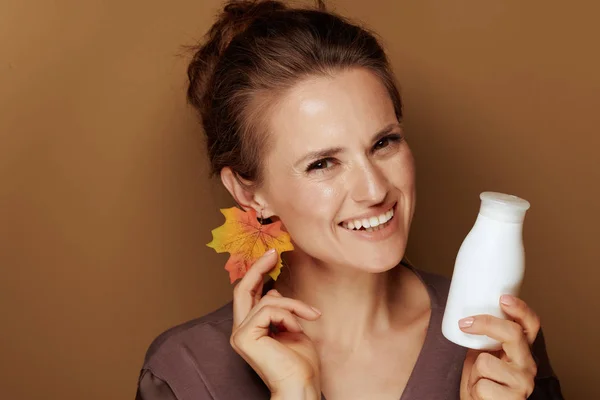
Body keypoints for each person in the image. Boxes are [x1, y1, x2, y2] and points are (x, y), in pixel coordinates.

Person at [135, 1, 564, 399]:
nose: (375, 190)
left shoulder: (495, 339)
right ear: (249, 192)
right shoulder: (185, 374)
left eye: (384, 142)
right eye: (322, 163)